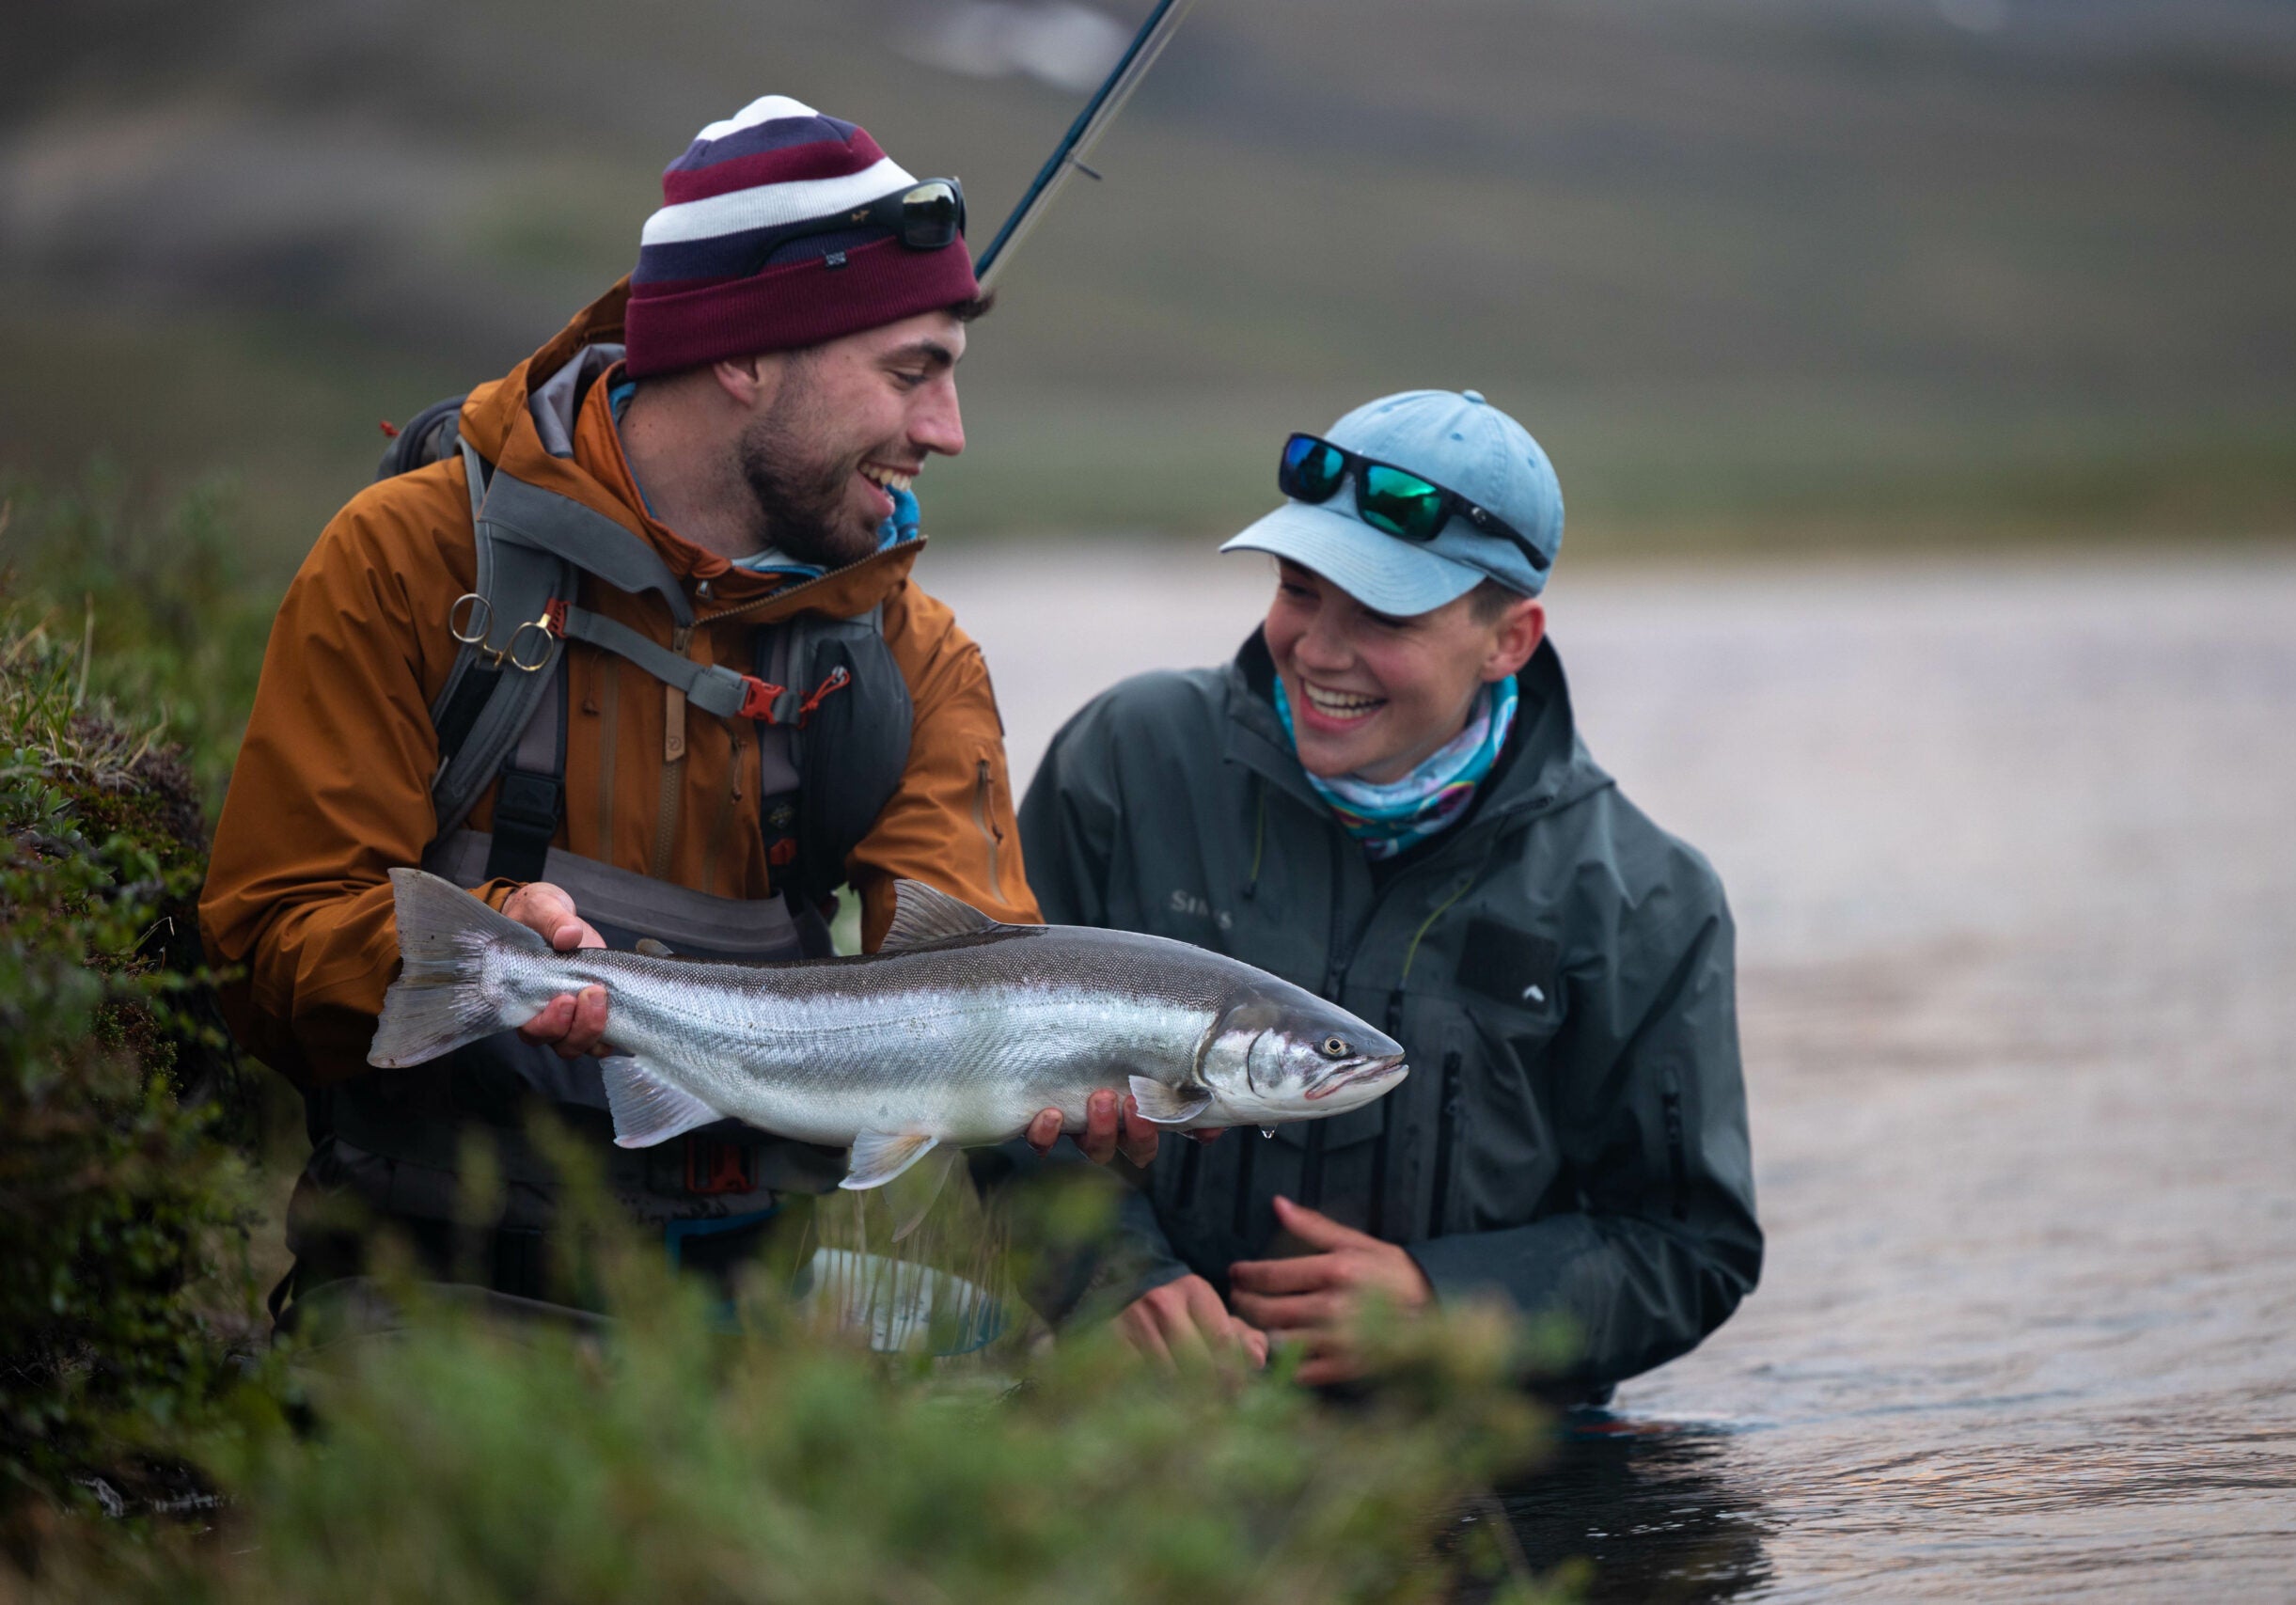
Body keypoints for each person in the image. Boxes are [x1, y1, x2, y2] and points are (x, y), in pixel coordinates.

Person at [200, 96, 1145, 1315]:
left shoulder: (919, 657)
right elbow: (264, 946)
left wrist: (1062, 1080)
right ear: (745, 357)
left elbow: (978, 968)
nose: (945, 432)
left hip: (749, 1303)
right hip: (432, 1284)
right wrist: (479, 946)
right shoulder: (416, 561)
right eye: (911, 373)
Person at [1015, 389, 1762, 1393]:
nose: (1319, 649)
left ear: (1511, 640)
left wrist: (1443, 1306)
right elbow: (967, 1069)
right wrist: (1109, 1277)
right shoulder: (1125, 760)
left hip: (1485, 1462)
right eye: (1298, 588)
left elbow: (1689, 1246)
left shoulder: (1645, 899)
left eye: (1383, 613)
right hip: (1154, 1441)